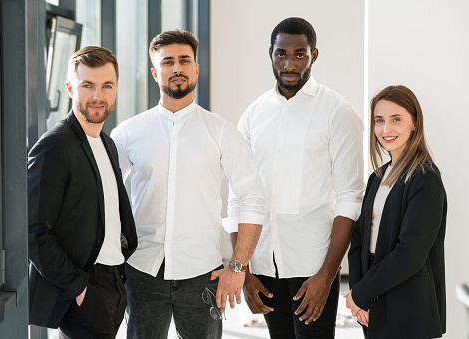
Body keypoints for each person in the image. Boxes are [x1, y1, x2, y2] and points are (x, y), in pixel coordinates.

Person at [110, 29, 267, 339]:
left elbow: (252, 199)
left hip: (203, 275)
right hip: (142, 273)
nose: (177, 68)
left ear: (196, 69)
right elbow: (104, 196)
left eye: (184, 60)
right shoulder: (129, 132)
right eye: (168, 62)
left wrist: (238, 267)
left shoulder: (222, 132)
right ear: (156, 73)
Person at [225, 17, 364, 339]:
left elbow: (349, 197)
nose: (289, 63)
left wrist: (327, 277)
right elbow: (238, 196)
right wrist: (243, 270)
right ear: (270, 54)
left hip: (312, 266)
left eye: (299, 54)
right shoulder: (254, 114)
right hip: (262, 264)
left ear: (314, 55)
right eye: (281, 54)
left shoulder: (337, 112)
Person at [28, 46, 138, 339]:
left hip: (114, 282)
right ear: (70, 88)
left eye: (106, 86)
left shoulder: (107, 143)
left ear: (116, 89)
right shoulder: (54, 146)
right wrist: (79, 289)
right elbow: (34, 231)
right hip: (84, 287)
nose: (97, 96)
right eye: (87, 85)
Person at [346, 85, 447, 338]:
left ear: (414, 123)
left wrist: (360, 293)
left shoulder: (426, 179)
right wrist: (359, 294)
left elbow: (409, 254)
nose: (386, 129)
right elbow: (359, 237)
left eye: (396, 119)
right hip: (373, 295)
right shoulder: (377, 177)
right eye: (379, 121)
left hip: (408, 305)